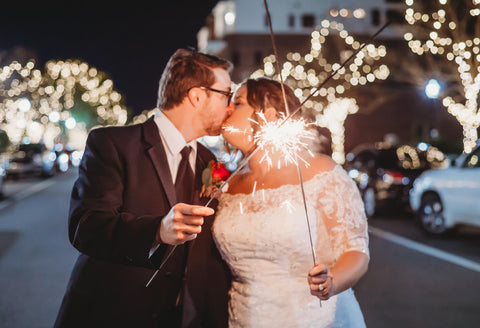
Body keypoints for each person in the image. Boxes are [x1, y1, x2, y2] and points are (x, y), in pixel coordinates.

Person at [54, 48, 235, 328]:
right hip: (111, 315)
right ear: (197, 96)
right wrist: (158, 231)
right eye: (226, 93)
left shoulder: (210, 162)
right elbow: (85, 227)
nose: (230, 105)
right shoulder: (111, 144)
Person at [213, 77, 370, 327]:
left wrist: (332, 282)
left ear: (270, 115)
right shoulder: (228, 186)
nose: (228, 109)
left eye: (238, 102)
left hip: (314, 318)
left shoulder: (320, 171)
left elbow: (356, 251)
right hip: (244, 318)